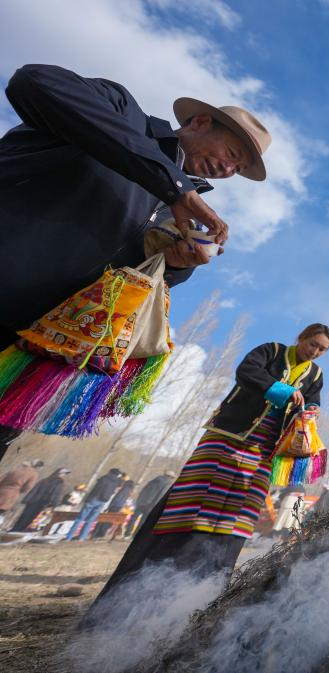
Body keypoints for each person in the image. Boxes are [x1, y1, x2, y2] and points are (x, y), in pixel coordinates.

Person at [0, 63, 273, 462]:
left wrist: (175, 265)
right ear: (199, 122)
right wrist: (173, 185)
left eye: (238, 168)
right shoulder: (123, 114)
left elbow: (131, 283)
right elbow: (34, 82)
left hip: (30, 352)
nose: (229, 170)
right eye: (232, 154)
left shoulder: (178, 211)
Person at [87, 324, 329, 620]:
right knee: (195, 497)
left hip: (266, 449)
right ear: (301, 338)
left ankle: (207, 589)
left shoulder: (315, 375)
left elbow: (313, 401)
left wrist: (311, 410)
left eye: (322, 349)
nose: (315, 351)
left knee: (239, 512)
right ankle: (153, 577)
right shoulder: (272, 351)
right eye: (312, 344)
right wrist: (283, 390)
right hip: (229, 434)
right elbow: (247, 371)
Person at [65, 468, 124, 541]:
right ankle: (81, 537)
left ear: (110, 472)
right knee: (90, 520)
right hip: (103, 501)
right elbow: (117, 487)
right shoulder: (116, 482)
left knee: (80, 518)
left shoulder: (104, 478)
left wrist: (88, 499)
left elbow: (96, 489)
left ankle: (69, 537)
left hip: (94, 499)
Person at [11, 466, 70, 532]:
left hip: (33, 501)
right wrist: (54, 504)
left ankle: (15, 529)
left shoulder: (45, 480)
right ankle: (22, 530)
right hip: (44, 503)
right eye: (64, 474)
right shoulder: (59, 482)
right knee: (34, 518)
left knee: (24, 516)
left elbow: (34, 490)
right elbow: (56, 493)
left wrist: (27, 499)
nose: (64, 475)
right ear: (60, 473)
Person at [124, 471, 176, 537]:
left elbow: (144, 489)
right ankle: (135, 535)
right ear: (170, 477)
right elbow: (161, 495)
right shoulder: (168, 483)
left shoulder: (155, 479)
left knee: (134, 518)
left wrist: (140, 500)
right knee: (143, 521)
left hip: (142, 502)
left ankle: (127, 534)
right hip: (151, 505)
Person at [0, 459, 44, 526]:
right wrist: (21, 490)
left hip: (2, 489)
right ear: (38, 467)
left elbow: (2, 477)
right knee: (2, 510)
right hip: (12, 494)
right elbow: (28, 487)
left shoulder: (17, 468)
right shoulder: (34, 474)